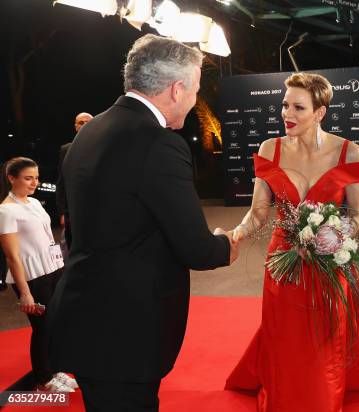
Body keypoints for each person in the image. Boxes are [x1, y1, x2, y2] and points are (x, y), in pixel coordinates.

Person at [47, 34, 238, 412]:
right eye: (195, 90)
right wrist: (227, 244)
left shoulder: (90, 132)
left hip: (84, 317)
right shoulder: (159, 143)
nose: (195, 100)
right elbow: (196, 249)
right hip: (125, 334)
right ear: (176, 88)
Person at [225, 72, 359, 411]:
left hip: (330, 258)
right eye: (284, 105)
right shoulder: (269, 150)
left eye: (298, 107)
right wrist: (237, 234)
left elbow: (357, 216)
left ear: (320, 113)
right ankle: (283, 395)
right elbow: (258, 214)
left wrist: (333, 239)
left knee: (326, 336)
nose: (286, 114)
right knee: (284, 334)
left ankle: (322, 397)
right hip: (282, 261)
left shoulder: (350, 152)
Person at [0, 157, 77, 392]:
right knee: (43, 327)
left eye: (36, 177)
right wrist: (24, 293)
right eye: (27, 178)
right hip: (33, 276)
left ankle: (55, 369)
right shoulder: (6, 211)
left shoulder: (33, 202)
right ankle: (43, 379)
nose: (34, 183)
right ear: (11, 178)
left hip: (53, 268)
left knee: (57, 323)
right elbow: (12, 257)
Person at [56, 112, 93, 250]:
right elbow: (61, 182)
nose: (84, 125)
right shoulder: (66, 150)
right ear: (75, 126)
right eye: (81, 123)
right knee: (73, 250)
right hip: (72, 211)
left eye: (88, 122)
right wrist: (61, 212)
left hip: (97, 209)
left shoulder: (105, 146)